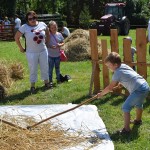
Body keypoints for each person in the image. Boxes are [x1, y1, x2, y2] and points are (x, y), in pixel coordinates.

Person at [97, 52, 149, 134]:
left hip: (138, 89)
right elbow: (131, 75)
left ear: (115, 65)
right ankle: (138, 120)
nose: (108, 67)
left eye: (109, 66)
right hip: (145, 86)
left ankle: (126, 129)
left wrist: (101, 94)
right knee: (139, 104)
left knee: (125, 107)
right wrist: (121, 84)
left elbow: (110, 87)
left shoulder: (117, 73)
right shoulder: (124, 66)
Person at [15, 11, 50, 94]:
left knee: (45, 67)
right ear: (27, 20)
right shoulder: (24, 27)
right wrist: (21, 48)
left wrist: (47, 41)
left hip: (43, 51)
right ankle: (33, 86)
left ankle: (46, 83)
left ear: (36, 17)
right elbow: (16, 37)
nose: (32, 20)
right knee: (33, 69)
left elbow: (47, 32)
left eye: (34, 18)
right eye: (30, 19)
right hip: (31, 53)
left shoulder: (42, 24)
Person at [47, 21, 64, 86]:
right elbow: (45, 44)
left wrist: (59, 45)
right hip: (50, 55)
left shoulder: (59, 34)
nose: (54, 28)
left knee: (57, 68)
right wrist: (51, 46)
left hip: (57, 55)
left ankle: (58, 79)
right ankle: (50, 81)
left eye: (55, 27)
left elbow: (63, 42)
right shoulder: (48, 35)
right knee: (50, 69)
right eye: (52, 28)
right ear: (50, 28)